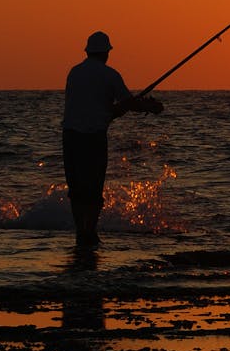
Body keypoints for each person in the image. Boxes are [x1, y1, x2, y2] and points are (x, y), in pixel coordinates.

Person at [62, 31, 163, 248]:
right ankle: (90, 232)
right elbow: (126, 104)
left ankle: (81, 232)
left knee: (77, 188)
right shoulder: (110, 75)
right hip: (94, 139)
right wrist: (150, 107)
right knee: (94, 188)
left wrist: (117, 110)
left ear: (88, 51)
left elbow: (94, 107)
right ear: (106, 53)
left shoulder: (74, 73)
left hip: (70, 137)